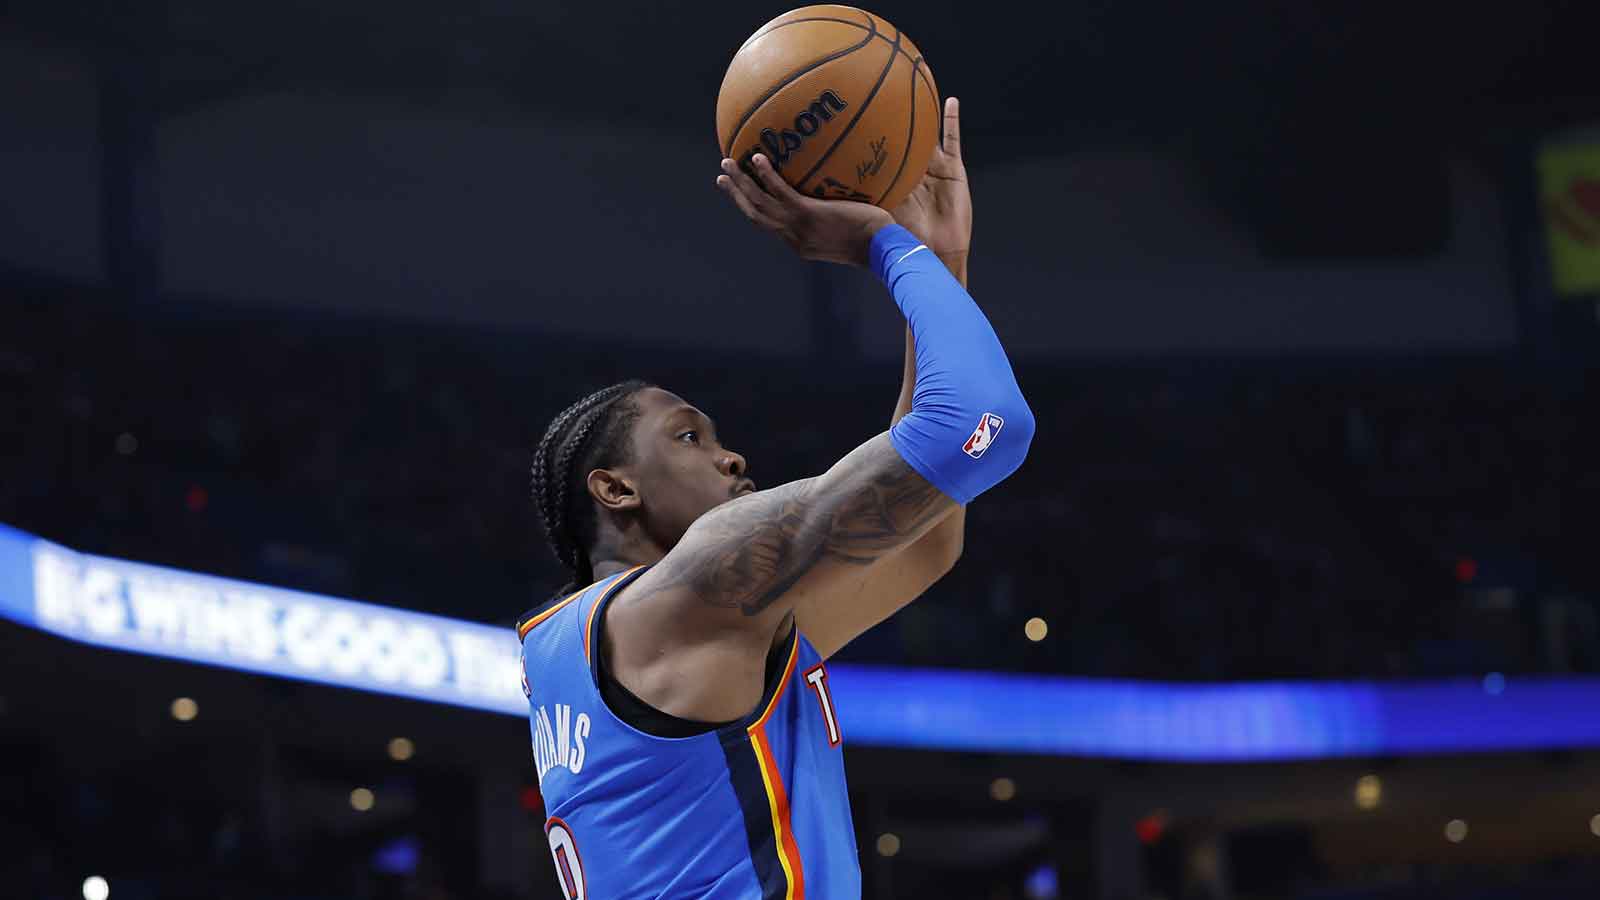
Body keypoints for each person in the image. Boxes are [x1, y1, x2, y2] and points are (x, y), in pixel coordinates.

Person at [518, 98, 1032, 899]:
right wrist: (880, 245)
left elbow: (927, 537)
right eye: (689, 437)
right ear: (614, 488)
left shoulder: (646, 641)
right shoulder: (686, 599)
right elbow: (982, 427)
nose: (731, 457)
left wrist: (942, 260)